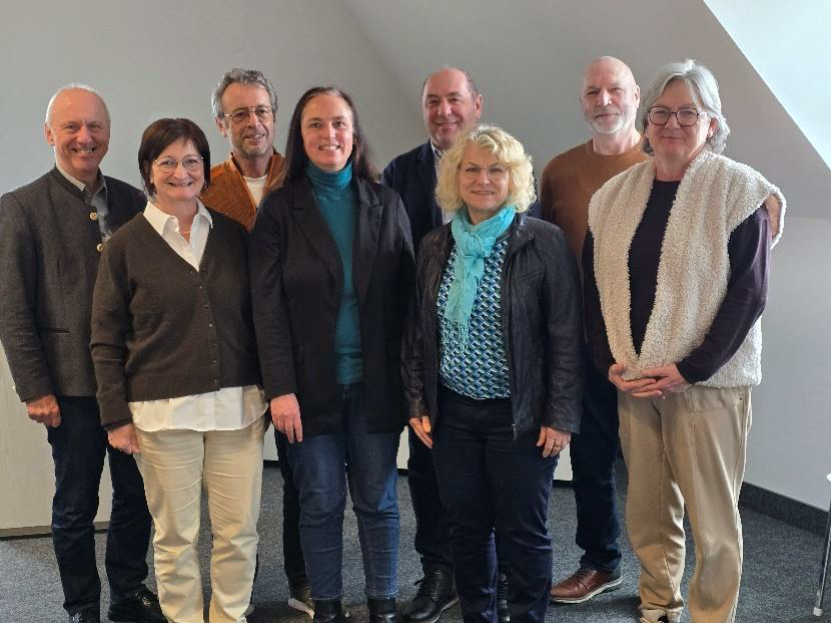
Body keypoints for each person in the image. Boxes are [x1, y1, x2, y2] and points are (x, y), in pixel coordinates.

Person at [584, 59, 785, 623]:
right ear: (646, 122)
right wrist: (608, 362)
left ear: (713, 124)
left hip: (710, 384)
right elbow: (594, 287)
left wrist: (692, 368)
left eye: (688, 113)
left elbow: (749, 294)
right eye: (662, 112)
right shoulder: (614, 196)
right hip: (637, 379)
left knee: (713, 523)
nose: (673, 123)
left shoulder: (739, 191)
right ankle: (658, 603)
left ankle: (711, 615)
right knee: (648, 510)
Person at [403, 125, 582, 623]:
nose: (484, 179)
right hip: (453, 414)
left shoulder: (543, 243)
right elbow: (418, 332)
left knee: (523, 531)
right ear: (455, 178)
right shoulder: (436, 245)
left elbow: (566, 334)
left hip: (521, 417)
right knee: (465, 527)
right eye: (472, 169)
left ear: (514, 178)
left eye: (496, 169)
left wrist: (560, 413)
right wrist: (417, 402)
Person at [91, 118, 266, 623]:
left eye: (191, 160)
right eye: (167, 161)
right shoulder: (125, 245)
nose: (181, 171)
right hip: (161, 415)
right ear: (148, 170)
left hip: (238, 409)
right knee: (175, 537)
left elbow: (259, 322)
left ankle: (230, 616)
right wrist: (115, 416)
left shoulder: (234, 236)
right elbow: (104, 338)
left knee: (239, 532)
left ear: (204, 169)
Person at [250, 86, 415, 623]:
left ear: (355, 131)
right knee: (319, 502)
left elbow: (409, 306)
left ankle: (383, 605)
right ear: (300, 136)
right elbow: (266, 308)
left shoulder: (386, 203)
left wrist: (413, 390)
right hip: (306, 389)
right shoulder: (279, 209)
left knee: (378, 500)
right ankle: (327, 607)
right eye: (316, 125)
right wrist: (280, 388)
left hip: (375, 386)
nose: (329, 135)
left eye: (339, 123)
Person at [0, 85, 162, 623]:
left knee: (137, 500)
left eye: (94, 127)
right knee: (76, 506)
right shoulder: (20, 208)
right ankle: (81, 607)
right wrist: (34, 387)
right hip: (68, 389)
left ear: (108, 134)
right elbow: (13, 309)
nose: (84, 138)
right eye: (70, 127)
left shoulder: (135, 201)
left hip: (136, 384)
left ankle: (128, 592)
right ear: (50, 134)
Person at [382, 66, 511, 623]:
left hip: (494, 359)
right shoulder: (399, 172)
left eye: (454, 100)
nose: (444, 112)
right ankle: (440, 570)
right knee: (432, 470)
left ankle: (498, 576)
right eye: (433, 101)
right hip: (428, 351)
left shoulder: (505, 168)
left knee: (501, 480)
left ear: (477, 104)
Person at [202, 67, 311, 618]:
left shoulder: (303, 178)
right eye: (240, 113)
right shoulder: (202, 186)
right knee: (234, 486)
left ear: (276, 115)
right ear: (221, 123)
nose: (254, 122)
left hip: (294, 357)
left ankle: (304, 578)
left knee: (301, 476)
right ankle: (232, 588)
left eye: (262, 110)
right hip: (230, 357)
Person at [540, 56, 647, 604]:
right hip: (584, 346)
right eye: (592, 92)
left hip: (653, 346)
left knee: (659, 467)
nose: (604, 101)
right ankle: (601, 562)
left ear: (635, 94)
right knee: (591, 464)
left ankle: (663, 576)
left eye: (614, 90)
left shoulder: (665, 160)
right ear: (582, 100)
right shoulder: (559, 171)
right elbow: (543, 261)